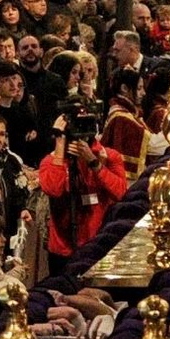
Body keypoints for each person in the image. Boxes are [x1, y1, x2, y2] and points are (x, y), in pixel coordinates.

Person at [37, 111, 127, 275]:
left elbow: (121, 194)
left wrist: (94, 163)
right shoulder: (51, 161)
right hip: (63, 249)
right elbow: (53, 189)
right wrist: (60, 142)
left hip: (100, 243)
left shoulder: (109, 156)